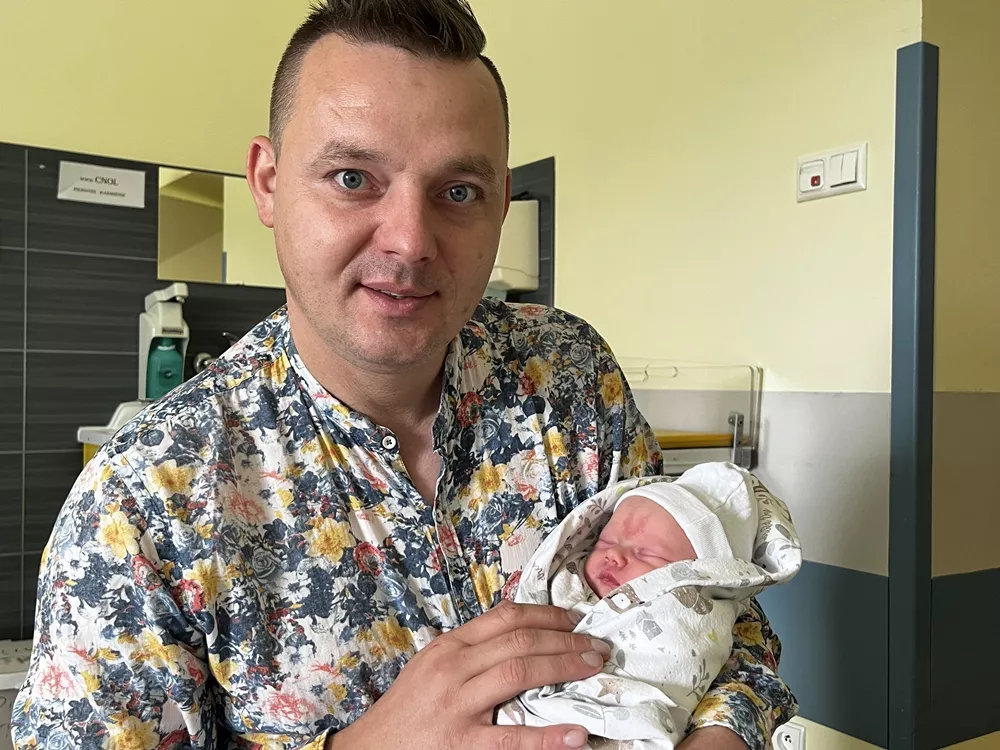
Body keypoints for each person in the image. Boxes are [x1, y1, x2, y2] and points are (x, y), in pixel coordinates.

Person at [11, 2, 796, 749]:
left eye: (458, 192)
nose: (411, 240)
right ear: (269, 183)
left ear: (499, 206)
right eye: (353, 178)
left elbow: (717, 614)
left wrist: (721, 735)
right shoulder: (144, 503)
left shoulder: (568, 379)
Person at [497, 463, 803, 748]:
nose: (614, 555)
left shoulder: (691, 618)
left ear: (704, 581)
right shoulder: (564, 584)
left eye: (649, 554)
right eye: (605, 541)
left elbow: (740, 640)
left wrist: (726, 730)